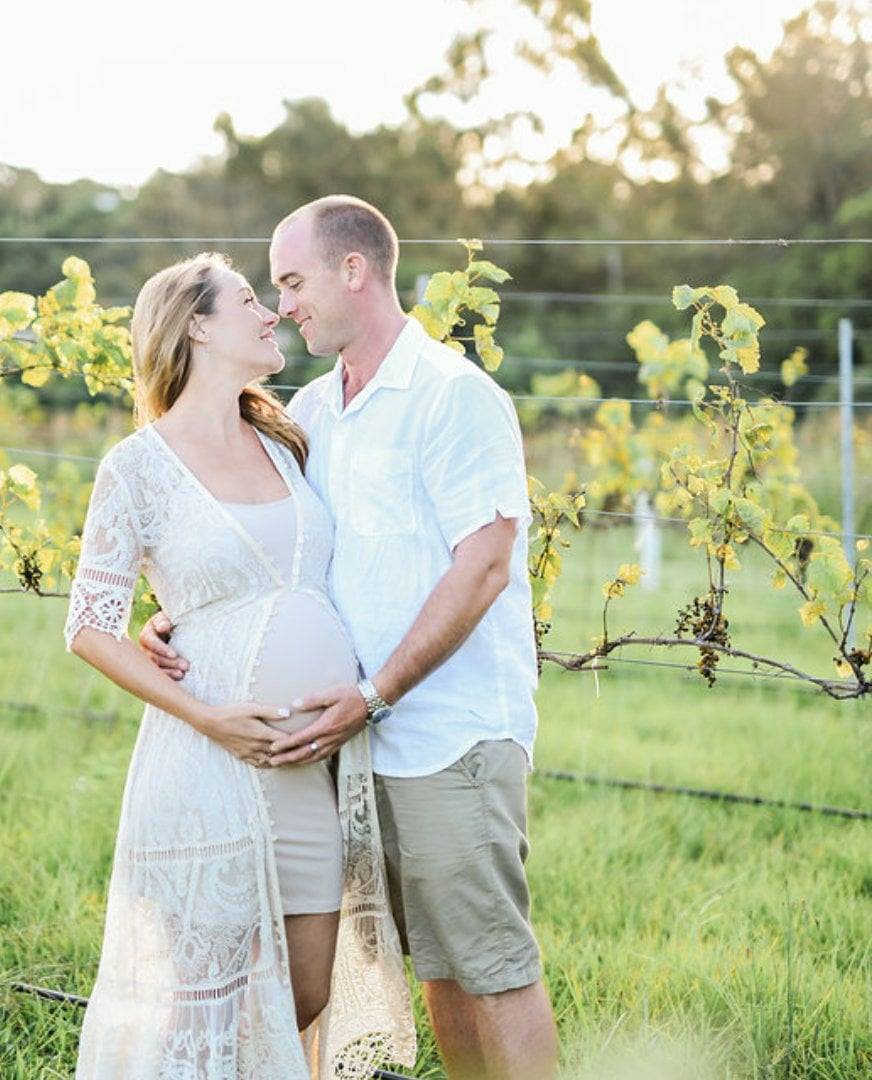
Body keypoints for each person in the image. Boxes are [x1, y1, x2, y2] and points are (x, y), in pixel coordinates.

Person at [143, 197, 560, 1080]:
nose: (284, 304)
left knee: (491, 966)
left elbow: (483, 565)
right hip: (358, 748)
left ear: (354, 271)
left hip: (447, 733)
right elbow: (275, 549)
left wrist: (376, 693)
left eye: (292, 282)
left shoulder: (453, 396)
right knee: (437, 968)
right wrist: (180, 610)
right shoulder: (313, 410)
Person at [63, 251, 415, 1079]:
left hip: (313, 766)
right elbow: (89, 626)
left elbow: (281, 578)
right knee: (209, 998)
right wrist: (210, 714)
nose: (271, 315)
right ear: (196, 324)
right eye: (252, 300)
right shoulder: (136, 466)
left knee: (304, 990)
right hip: (210, 763)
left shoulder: (286, 438)